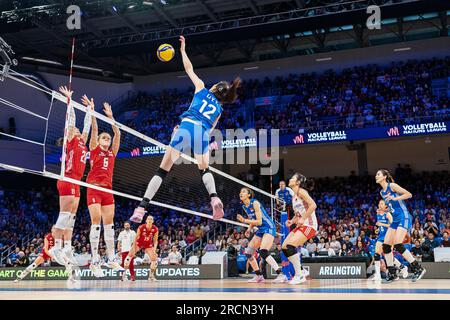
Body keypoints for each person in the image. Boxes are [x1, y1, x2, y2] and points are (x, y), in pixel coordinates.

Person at [130, 35, 241, 223]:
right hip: (201, 132)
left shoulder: (201, 88)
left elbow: (189, 68)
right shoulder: (220, 110)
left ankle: (141, 208)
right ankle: (214, 197)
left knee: (162, 171)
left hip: (187, 126)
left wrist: (182, 51)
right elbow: (207, 131)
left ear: (214, 87)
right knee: (204, 169)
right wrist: (209, 146)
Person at [81, 96, 124, 277]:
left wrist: (112, 117)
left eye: (108, 138)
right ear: (99, 141)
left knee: (110, 225)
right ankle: (95, 260)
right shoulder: (94, 149)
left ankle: (112, 258)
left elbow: (118, 134)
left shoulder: (113, 152)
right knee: (96, 222)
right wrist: (92, 111)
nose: (107, 139)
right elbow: (95, 129)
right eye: (103, 138)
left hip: (108, 190)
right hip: (93, 188)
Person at [51, 86, 92, 266]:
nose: (76, 129)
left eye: (76, 130)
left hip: (76, 181)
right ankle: (56, 246)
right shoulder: (71, 140)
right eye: (73, 129)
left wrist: (90, 110)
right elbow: (72, 120)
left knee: (72, 216)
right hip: (67, 179)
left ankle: (67, 246)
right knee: (65, 213)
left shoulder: (82, 141)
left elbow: (87, 126)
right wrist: (70, 101)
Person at [376, 169, 426, 282]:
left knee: (398, 244)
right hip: (395, 219)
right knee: (386, 246)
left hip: (404, 216)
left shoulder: (392, 185)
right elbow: (391, 206)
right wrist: (384, 210)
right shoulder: (382, 192)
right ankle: (393, 274)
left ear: (384, 177)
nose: (376, 176)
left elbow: (409, 194)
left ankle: (418, 268)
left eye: (378, 174)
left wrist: (395, 198)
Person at [275, 173, 318, 285]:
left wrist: (303, 218)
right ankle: (302, 270)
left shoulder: (301, 192)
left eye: (293, 178)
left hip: (309, 225)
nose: (290, 179)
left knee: (290, 246)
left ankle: (299, 275)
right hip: (301, 225)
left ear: (298, 182)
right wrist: (292, 221)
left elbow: (313, 205)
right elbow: (298, 214)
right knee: (284, 247)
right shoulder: (294, 197)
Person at [236, 187, 281, 283]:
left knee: (263, 252)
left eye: (243, 192)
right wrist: (249, 229)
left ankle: (281, 274)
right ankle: (259, 276)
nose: (241, 193)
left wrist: (244, 221)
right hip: (260, 230)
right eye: (240, 191)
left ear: (249, 195)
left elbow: (259, 221)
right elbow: (252, 220)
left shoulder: (255, 203)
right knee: (248, 253)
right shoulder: (244, 206)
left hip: (269, 227)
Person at [372, 199, 408, 282]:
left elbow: (393, 225)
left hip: (388, 237)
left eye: (382, 204)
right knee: (378, 255)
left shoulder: (388, 214)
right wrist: (379, 229)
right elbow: (381, 226)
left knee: (387, 257)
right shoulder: (378, 214)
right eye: (379, 203)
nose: (380, 205)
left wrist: (382, 224)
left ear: (385, 206)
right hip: (381, 236)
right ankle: (378, 275)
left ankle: (402, 268)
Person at [123, 215, 159, 281]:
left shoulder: (155, 229)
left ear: (153, 221)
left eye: (151, 219)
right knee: (129, 257)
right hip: (139, 243)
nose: (150, 220)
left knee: (154, 260)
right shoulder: (141, 227)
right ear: (146, 220)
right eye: (148, 219)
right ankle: (124, 275)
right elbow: (136, 238)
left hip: (148, 245)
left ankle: (151, 276)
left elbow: (155, 241)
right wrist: (133, 247)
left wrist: (154, 249)